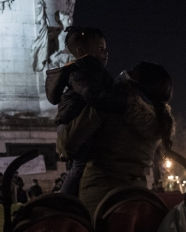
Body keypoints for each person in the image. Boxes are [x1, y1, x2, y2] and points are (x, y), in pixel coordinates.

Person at [58, 61, 174, 217]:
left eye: (132, 70)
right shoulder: (159, 121)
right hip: (136, 197)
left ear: (138, 79)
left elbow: (68, 144)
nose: (126, 71)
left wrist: (62, 129)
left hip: (100, 197)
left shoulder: (108, 103)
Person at [46, 26, 127, 197]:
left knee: (85, 166)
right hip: (75, 126)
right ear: (82, 51)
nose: (105, 53)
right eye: (99, 49)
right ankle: (63, 200)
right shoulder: (80, 73)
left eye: (105, 49)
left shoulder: (93, 72)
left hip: (80, 125)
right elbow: (94, 96)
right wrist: (122, 96)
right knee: (80, 166)